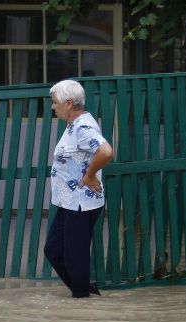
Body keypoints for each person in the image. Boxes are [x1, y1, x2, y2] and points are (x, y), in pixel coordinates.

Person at [44, 79, 114, 298]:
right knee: (53, 251)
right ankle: (84, 292)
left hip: (81, 204)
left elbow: (105, 151)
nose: (52, 106)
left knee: (75, 257)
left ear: (68, 103)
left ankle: (83, 300)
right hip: (69, 203)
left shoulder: (83, 126)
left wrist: (90, 174)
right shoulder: (73, 125)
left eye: (55, 102)